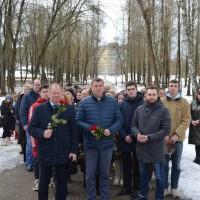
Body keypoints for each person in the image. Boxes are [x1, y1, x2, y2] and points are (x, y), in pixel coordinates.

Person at [28, 83, 78, 200]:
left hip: (63, 153)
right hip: (45, 152)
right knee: (43, 184)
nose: (56, 95)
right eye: (53, 93)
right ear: (48, 93)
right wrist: (42, 133)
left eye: (58, 93)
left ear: (62, 94)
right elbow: (31, 128)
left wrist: (74, 151)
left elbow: (74, 132)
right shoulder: (40, 109)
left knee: (62, 185)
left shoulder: (69, 109)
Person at [76, 77, 123, 200]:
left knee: (104, 174)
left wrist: (111, 130)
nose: (98, 88)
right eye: (95, 85)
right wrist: (90, 128)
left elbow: (119, 120)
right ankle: (91, 197)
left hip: (106, 144)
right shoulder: (84, 103)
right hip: (91, 145)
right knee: (90, 175)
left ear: (104, 87)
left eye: (100, 85)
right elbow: (78, 120)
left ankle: (104, 197)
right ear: (91, 87)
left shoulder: (112, 102)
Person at [131, 86, 171, 200]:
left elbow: (165, 130)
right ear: (145, 96)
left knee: (159, 176)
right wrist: (137, 134)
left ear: (157, 95)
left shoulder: (163, 111)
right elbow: (133, 125)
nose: (151, 97)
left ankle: (159, 197)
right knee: (143, 175)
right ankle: (142, 195)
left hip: (156, 149)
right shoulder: (139, 109)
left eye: (154, 94)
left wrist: (149, 137)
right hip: (142, 148)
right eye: (149, 94)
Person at [161, 79, 191, 198]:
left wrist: (176, 134)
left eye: (175, 86)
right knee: (163, 164)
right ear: (168, 87)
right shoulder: (162, 101)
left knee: (176, 165)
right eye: (171, 85)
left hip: (177, 140)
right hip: (164, 138)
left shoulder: (184, 102)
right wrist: (164, 134)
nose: (173, 88)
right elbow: (158, 119)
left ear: (179, 88)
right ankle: (164, 187)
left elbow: (186, 120)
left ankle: (174, 188)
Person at [117, 81, 143, 197]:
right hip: (124, 139)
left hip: (138, 139)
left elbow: (143, 123)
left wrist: (132, 136)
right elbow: (119, 121)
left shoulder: (143, 104)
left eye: (133, 89)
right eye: (129, 89)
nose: (131, 91)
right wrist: (124, 135)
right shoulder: (122, 104)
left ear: (136, 90)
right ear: (126, 91)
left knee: (137, 166)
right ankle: (126, 187)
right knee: (126, 165)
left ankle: (136, 188)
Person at [28, 84, 49, 191]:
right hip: (38, 139)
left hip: (50, 140)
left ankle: (50, 179)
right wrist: (34, 143)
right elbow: (31, 126)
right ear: (40, 93)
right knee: (38, 160)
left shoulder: (53, 105)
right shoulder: (35, 106)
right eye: (44, 91)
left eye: (47, 91)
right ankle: (37, 180)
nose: (46, 93)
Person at [20, 79, 41, 171]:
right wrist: (25, 124)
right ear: (33, 85)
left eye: (39, 84)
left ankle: (38, 162)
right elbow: (23, 111)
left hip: (41, 124)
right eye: (36, 84)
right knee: (30, 144)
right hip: (30, 124)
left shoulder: (43, 95)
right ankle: (29, 163)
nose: (37, 86)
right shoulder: (27, 96)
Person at [15, 83, 32, 156]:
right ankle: (22, 148)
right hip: (22, 118)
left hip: (29, 118)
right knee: (22, 135)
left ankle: (26, 150)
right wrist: (17, 117)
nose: (25, 90)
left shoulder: (31, 97)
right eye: (24, 89)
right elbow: (17, 107)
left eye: (26, 89)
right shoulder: (21, 96)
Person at [188, 90, 200, 165]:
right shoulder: (193, 103)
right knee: (197, 142)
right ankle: (197, 157)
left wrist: (199, 120)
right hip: (194, 126)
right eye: (199, 94)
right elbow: (188, 113)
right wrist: (192, 121)